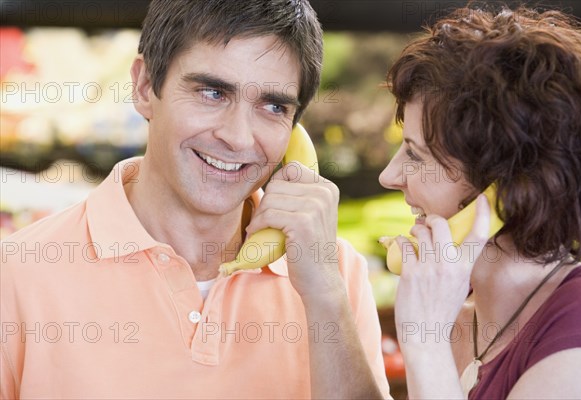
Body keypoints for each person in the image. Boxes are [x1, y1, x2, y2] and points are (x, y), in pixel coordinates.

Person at [0, 1, 389, 398]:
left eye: (273, 106)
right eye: (212, 92)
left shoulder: (336, 274)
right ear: (145, 87)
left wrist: (325, 294)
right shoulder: (16, 274)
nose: (238, 137)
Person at [379, 5, 581, 399]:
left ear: (506, 185)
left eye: (415, 154)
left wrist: (425, 344)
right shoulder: (460, 316)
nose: (388, 177)